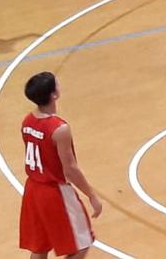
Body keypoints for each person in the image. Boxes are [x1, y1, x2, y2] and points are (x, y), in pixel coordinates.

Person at [19, 72, 102, 258]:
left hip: (33, 190)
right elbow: (70, 169)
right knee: (82, 244)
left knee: (40, 247)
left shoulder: (27, 121)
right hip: (54, 192)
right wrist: (92, 195)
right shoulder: (59, 129)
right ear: (53, 95)